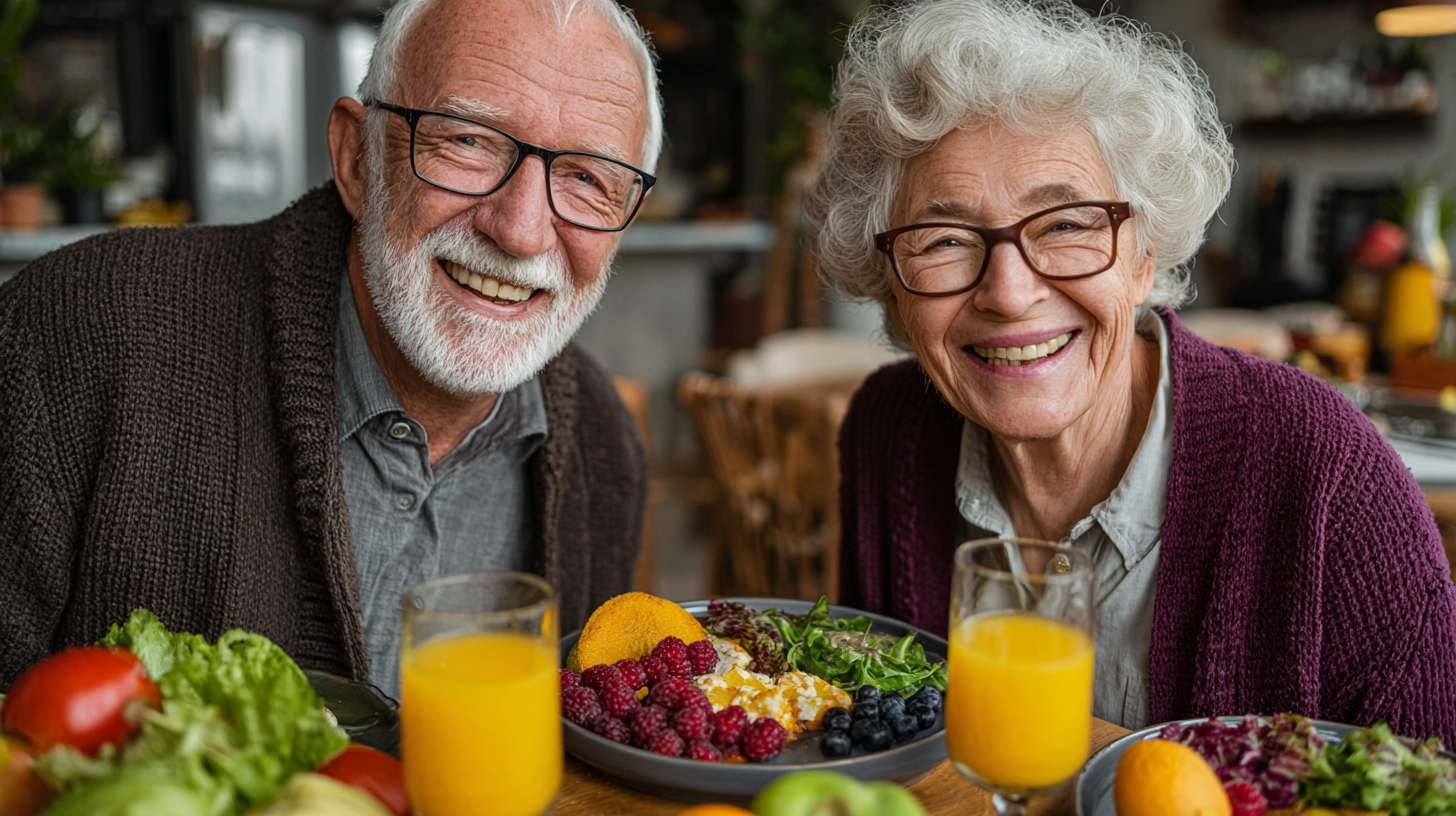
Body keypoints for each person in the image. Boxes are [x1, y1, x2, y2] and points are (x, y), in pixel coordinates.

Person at [807, 0, 1456, 741]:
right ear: (889, 278)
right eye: (945, 239)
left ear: (1146, 254)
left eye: (1067, 225)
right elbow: (884, 753)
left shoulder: (1328, 479)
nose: (1010, 293)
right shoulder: (885, 434)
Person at [0, 0, 660, 697]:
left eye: (588, 178)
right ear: (356, 158)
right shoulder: (76, 330)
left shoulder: (601, 443)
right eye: (468, 141)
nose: (522, 231)